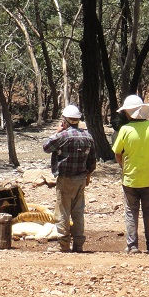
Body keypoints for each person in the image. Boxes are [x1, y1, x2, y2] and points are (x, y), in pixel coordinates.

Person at [112, 94, 149, 254]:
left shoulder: (124, 130)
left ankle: (132, 246)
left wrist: (125, 167)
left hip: (130, 179)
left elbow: (117, 153)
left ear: (129, 112)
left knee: (131, 211)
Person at [42, 104, 96, 253]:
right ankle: (78, 245)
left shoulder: (62, 136)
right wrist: (88, 176)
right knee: (78, 212)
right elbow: (92, 161)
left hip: (65, 179)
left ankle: (63, 245)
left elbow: (46, 147)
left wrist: (56, 132)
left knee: (62, 213)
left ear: (64, 121)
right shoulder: (88, 136)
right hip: (80, 179)